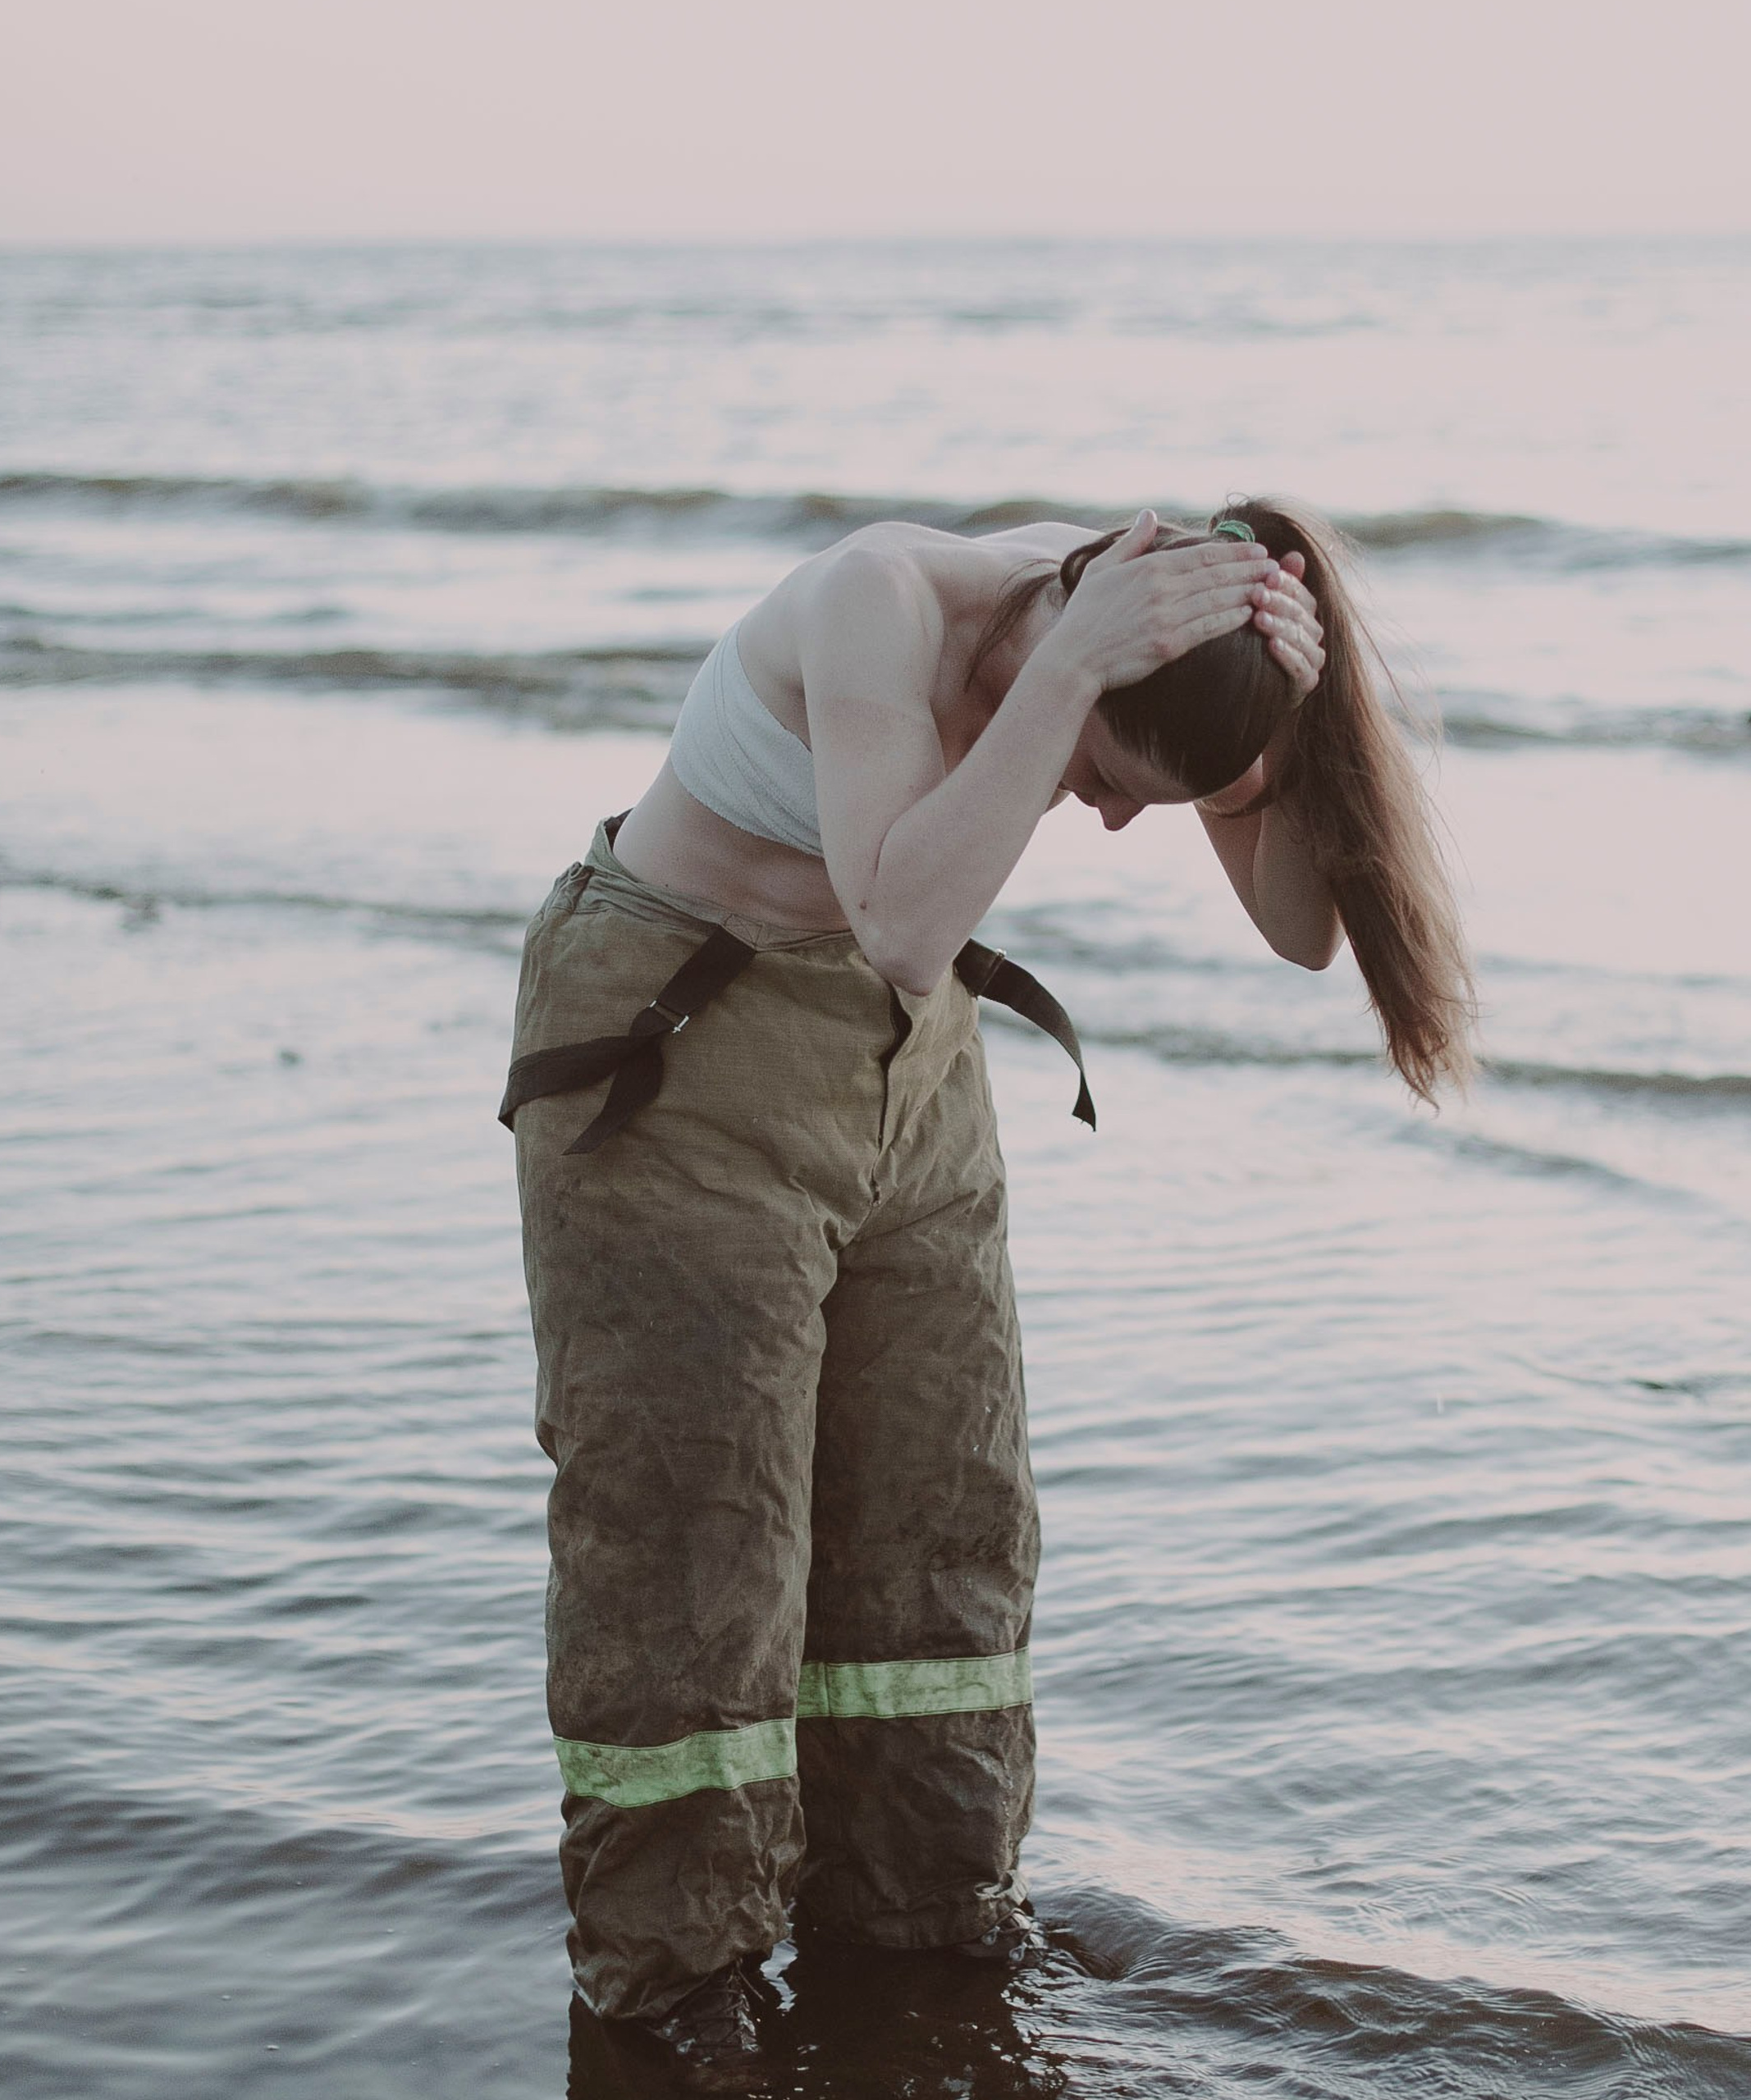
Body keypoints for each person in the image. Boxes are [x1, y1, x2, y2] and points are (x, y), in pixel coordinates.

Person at [501, 500, 1474, 2090]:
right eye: (1103, 775)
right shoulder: (882, 600)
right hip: (676, 1041)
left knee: (938, 1523)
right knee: (696, 1534)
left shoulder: (1161, 642)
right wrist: (1069, 678)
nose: (1108, 818)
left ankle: (920, 1919)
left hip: (909, 1068)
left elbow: (1300, 929)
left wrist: (1291, 727)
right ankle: (674, 1982)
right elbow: (900, 919)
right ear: (1063, 640)